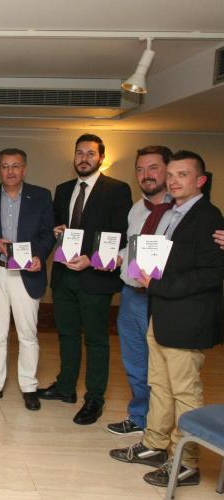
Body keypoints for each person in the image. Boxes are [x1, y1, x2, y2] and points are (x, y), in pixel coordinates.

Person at [110, 150, 224, 488]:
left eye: (182, 175)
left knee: (185, 391)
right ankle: (155, 444)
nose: (173, 181)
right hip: (161, 313)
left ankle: (186, 462)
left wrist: (157, 285)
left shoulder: (208, 217)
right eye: (171, 175)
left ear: (200, 180)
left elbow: (210, 274)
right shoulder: (174, 213)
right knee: (159, 385)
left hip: (187, 319)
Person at [38, 134, 132, 425]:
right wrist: (57, 231)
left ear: (101, 158)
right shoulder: (63, 189)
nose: (84, 158)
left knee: (95, 339)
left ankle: (94, 398)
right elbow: (57, 226)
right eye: (79, 153)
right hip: (64, 276)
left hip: (95, 277)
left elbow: (120, 235)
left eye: (91, 153)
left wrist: (91, 258)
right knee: (66, 334)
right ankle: (66, 387)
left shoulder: (117, 190)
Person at [0, 148, 54, 411]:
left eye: (16, 166)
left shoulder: (41, 196)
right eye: (5, 166)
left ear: (24, 169)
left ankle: (29, 387)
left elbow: (47, 234)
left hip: (26, 273)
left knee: (27, 335)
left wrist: (39, 256)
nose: (10, 171)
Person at [106, 146, 173, 435]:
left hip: (162, 299)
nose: (146, 175)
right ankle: (139, 417)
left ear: (168, 170)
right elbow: (131, 246)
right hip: (132, 294)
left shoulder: (180, 211)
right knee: (134, 362)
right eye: (140, 169)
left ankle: (161, 426)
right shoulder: (137, 208)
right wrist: (116, 257)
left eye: (153, 168)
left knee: (162, 366)